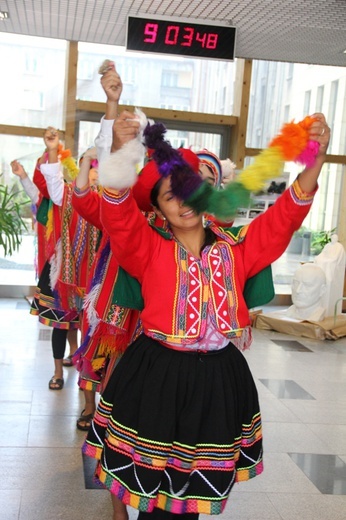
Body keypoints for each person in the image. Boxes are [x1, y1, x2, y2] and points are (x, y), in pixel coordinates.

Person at [82, 110, 330, 519]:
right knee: (155, 496)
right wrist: (121, 151)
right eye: (169, 196)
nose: (183, 202)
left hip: (217, 379)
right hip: (158, 377)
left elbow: (283, 218)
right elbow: (119, 217)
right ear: (159, 209)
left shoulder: (237, 248)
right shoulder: (148, 248)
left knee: (190, 497)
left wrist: (315, 158)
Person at [30, 128, 100, 390]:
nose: (94, 173)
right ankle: (58, 372)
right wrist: (51, 150)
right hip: (64, 272)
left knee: (89, 330)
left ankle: (88, 381)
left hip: (94, 276)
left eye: (97, 168)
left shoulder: (109, 199)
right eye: (90, 167)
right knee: (60, 325)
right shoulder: (68, 194)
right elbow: (52, 183)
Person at [10, 158, 79, 373]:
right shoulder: (58, 199)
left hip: (84, 269)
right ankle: (58, 371)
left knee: (76, 321)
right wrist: (23, 176)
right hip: (59, 269)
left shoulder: (92, 198)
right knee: (60, 321)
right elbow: (37, 197)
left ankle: (75, 356)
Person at [314, 233, 346, 316]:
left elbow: (337, 258)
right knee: (320, 260)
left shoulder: (339, 247)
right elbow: (323, 254)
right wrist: (319, 257)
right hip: (327, 260)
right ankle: (321, 276)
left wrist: (330, 260)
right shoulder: (328, 245)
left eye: (335, 237)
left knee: (327, 263)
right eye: (332, 237)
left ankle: (328, 277)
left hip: (333, 263)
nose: (333, 239)